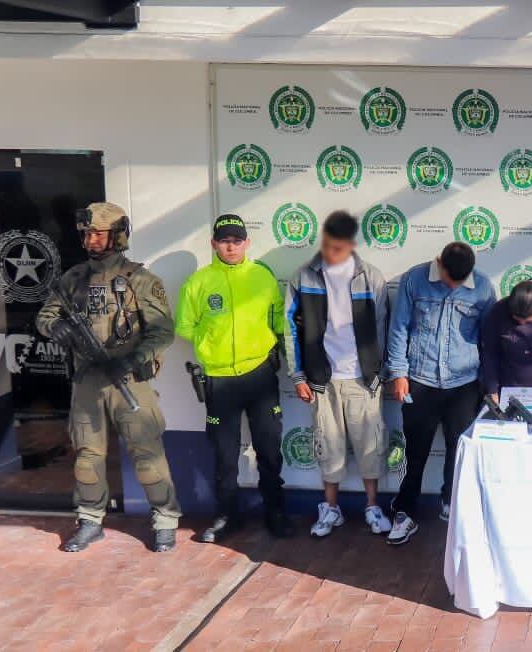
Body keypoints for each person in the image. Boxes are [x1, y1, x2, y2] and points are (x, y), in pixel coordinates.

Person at [36, 202, 180, 553]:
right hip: (88, 381)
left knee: (147, 455)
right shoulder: (73, 279)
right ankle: (90, 521)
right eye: (87, 234)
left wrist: (132, 359)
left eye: (98, 234)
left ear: (117, 236)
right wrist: (55, 328)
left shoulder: (140, 280)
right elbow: (45, 317)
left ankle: (165, 519)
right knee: (87, 457)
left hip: (129, 381)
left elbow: (162, 332)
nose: (91, 240)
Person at [177, 214, 292, 541]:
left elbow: (279, 322)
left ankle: (275, 511)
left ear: (246, 243)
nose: (231, 247)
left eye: (236, 240)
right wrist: (209, 341)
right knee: (225, 455)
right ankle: (227, 515)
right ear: (214, 243)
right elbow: (184, 326)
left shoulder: (262, 278)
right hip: (219, 380)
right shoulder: (198, 282)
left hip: (259, 376)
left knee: (269, 449)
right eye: (224, 241)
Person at [283, 211, 391, 538]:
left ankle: (372, 506)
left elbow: (384, 327)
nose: (333, 251)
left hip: (363, 378)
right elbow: (290, 328)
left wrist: (379, 372)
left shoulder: (370, 277)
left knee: (370, 446)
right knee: (327, 445)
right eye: (329, 244)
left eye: (341, 245)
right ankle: (330, 508)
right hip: (322, 379)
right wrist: (298, 375)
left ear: (351, 244)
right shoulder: (304, 277)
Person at [384, 242, 495, 545]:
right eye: (449, 279)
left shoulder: (483, 287)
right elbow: (399, 328)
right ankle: (405, 512)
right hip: (420, 381)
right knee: (415, 451)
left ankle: (451, 503)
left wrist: (487, 385)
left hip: (464, 383)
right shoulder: (414, 280)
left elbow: (488, 339)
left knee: (458, 450)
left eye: (460, 282)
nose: (453, 286)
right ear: (439, 263)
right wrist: (399, 373)